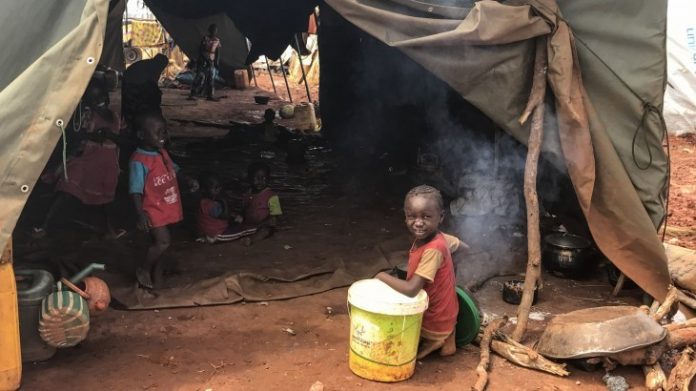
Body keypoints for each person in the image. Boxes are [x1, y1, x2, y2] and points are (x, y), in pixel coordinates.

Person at [375, 185, 465, 359]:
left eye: (426, 216)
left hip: (434, 318)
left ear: (441, 217)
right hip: (448, 311)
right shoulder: (443, 238)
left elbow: (411, 290)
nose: (418, 222)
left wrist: (381, 276)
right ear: (405, 217)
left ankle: (435, 340)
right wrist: (452, 271)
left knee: (395, 338)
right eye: (411, 216)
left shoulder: (433, 250)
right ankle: (448, 337)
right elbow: (463, 247)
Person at [34, 80, 124, 239]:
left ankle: (111, 230)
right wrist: (95, 136)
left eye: (102, 96)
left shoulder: (115, 116)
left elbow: (120, 139)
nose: (100, 101)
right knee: (66, 189)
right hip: (87, 157)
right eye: (94, 98)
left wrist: (109, 136)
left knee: (107, 197)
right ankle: (43, 227)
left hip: (107, 161)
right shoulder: (87, 114)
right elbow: (76, 135)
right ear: (88, 101)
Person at [129, 112, 192, 289]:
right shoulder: (139, 161)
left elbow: (175, 169)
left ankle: (157, 274)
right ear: (141, 135)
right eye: (157, 132)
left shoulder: (161, 152)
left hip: (168, 206)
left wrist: (187, 179)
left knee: (164, 244)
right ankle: (144, 268)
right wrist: (140, 215)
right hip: (153, 209)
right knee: (163, 242)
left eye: (164, 131)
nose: (163, 136)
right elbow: (135, 191)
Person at [195, 173, 252, 244]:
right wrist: (224, 201)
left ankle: (206, 237)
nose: (219, 190)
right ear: (205, 190)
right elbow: (225, 216)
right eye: (216, 188)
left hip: (204, 232)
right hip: (218, 234)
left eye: (219, 187)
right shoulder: (211, 205)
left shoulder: (202, 202)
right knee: (243, 231)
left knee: (235, 223)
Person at [189, 24, 221, 101]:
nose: (214, 31)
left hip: (211, 61)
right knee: (199, 77)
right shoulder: (205, 38)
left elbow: (218, 52)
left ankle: (210, 95)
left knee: (211, 78)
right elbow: (201, 50)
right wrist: (206, 60)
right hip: (203, 60)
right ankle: (192, 94)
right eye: (212, 29)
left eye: (215, 30)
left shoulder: (217, 40)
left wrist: (216, 61)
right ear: (209, 30)